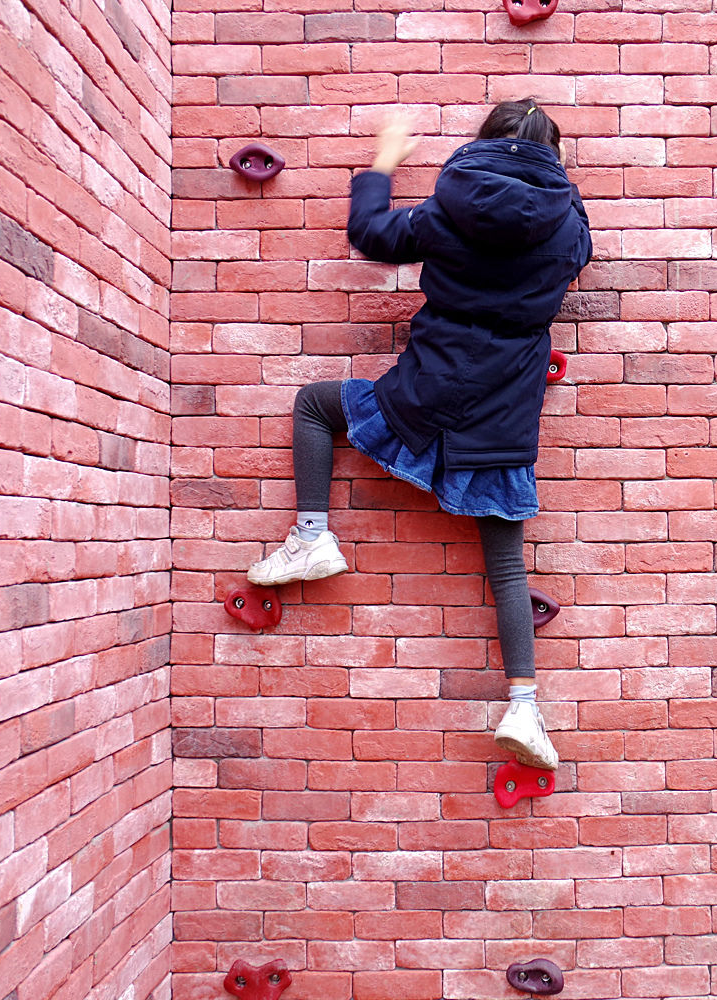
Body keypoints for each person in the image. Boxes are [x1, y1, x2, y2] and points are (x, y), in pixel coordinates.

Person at [247, 99, 593, 770]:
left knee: (317, 406)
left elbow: (372, 234)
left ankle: (311, 538)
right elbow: (574, 246)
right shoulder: (568, 231)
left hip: (431, 385)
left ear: (484, 144)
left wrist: (384, 160)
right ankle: (523, 703)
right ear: (553, 159)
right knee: (507, 564)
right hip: (506, 409)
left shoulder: (448, 209)